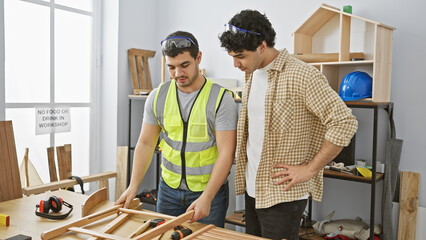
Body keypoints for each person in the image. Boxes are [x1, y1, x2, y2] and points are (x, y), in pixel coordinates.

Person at [219, 10, 358, 240]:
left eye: (241, 56)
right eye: (232, 56)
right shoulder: (252, 74)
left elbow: (345, 122)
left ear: (262, 46)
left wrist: (311, 169)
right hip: (253, 190)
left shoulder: (302, 76)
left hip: (282, 195)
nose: (235, 63)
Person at [116, 31, 238, 227]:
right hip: (168, 190)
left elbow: (227, 153)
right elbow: (146, 143)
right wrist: (133, 186)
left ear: (198, 58)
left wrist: (207, 197)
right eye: (171, 67)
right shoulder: (157, 97)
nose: (178, 74)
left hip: (209, 193)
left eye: (185, 65)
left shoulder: (221, 99)